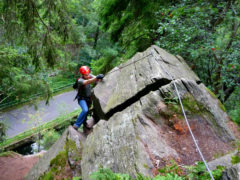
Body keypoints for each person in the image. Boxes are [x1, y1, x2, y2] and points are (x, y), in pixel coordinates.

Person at [73, 66, 104, 130]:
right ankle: (76, 125)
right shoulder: (80, 80)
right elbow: (87, 82)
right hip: (81, 99)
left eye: (88, 74)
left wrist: (99, 77)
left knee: (87, 112)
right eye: (86, 75)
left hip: (89, 98)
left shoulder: (89, 75)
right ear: (82, 74)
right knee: (85, 110)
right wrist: (96, 78)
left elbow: (95, 78)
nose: (87, 76)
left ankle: (84, 123)